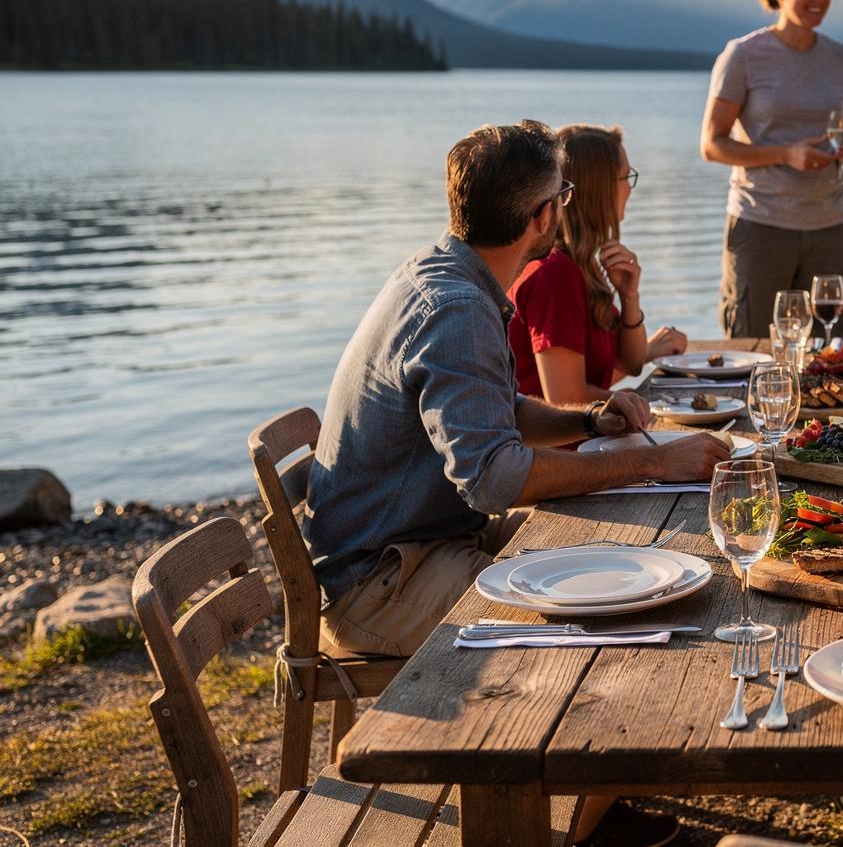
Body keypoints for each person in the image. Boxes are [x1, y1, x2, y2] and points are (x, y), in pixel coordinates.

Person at [302, 120, 729, 846]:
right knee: (609, 626)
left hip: (415, 543)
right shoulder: (459, 308)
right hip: (382, 583)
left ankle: (595, 808)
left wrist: (590, 422)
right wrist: (652, 460)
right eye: (560, 195)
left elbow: (496, 415)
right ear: (541, 216)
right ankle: (558, 825)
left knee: (625, 566)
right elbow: (493, 478)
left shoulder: (444, 273)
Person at [702, 0, 843, 338]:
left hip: (830, 227)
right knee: (755, 348)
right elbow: (712, 145)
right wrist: (786, 155)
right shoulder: (742, 55)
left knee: (834, 348)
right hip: (761, 225)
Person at [509, 123, 687, 406]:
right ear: (600, 189)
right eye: (626, 176)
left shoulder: (583, 263)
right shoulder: (554, 273)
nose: (630, 187)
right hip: (551, 449)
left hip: (578, 442)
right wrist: (643, 404)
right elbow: (566, 399)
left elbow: (631, 364)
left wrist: (629, 297)